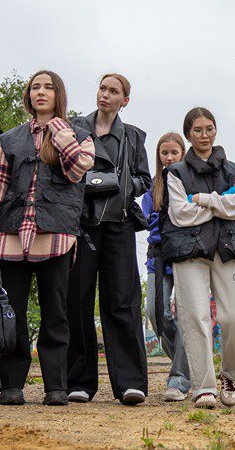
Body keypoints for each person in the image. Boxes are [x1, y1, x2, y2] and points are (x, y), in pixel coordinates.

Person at [0, 70, 94, 407]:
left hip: (56, 237)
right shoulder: (10, 139)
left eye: (48, 87)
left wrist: (59, 131)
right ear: (28, 95)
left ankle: (55, 386)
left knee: (55, 314)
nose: (40, 92)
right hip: (11, 237)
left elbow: (78, 170)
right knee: (11, 312)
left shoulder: (79, 135)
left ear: (59, 94)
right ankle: (11, 385)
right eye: (35, 87)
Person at [67, 74, 151, 406]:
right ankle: (79, 381)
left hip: (119, 224)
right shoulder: (75, 127)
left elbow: (144, 178)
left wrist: (120, 186)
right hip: (82, 226)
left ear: (124, 101)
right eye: (102, 88)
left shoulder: (133, 136)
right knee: (77, 299)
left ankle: (130, 383)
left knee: (122, 301)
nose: (105, 94)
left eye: (113, 91)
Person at [160, 107, 235, 409]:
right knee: (196, 317)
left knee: (234, 316)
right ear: (188, 134)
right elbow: (180, 214)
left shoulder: (233, 170)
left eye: (209, 128)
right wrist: (220, 203)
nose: (204, 135)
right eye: (197, 130)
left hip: (226, 248)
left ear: (215, 130)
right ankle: (204, 387)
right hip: (189, 251)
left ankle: (230, 374)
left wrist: (202, 199)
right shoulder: (176, 173)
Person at [141, 132, 191, 402]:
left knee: (186, 317)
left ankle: (179, 378)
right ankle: (190, 361)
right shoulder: (154, 186)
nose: (169, 157)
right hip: (158, 257)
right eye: (164, 153)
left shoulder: (191, 181)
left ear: (183, 153)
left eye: (174, 152)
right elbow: (148, 218)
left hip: (186, 255)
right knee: (155, 311)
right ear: (159, 156)